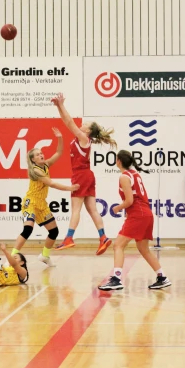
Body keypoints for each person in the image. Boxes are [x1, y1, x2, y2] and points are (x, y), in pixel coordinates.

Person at [51, 92, 116, 254]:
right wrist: (59, 106)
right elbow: (68, 122)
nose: (82, 125)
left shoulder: (84, 139)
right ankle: (103, 237)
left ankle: (69, 238)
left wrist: (61, 105)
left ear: (88, 130)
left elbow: (69, 122)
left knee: (76, 210)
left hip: (81, 175)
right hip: (87, 175)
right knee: (92, 209)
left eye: (85, 124)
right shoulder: (84, 140)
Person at [98, 149, 171, 292]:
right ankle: (162, 277)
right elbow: (137, 197)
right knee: (143, 249)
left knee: (118, 245)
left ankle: (116, 279)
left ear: (118, 161)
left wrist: (118, 208)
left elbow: (130, 200)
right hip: (146, 214)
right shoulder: (135, 174)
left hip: (139, 215)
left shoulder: (124, 177)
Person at [11, 128, 79, 268]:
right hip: (30, 203)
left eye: (41, 153)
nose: (41, 155)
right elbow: (51, 183)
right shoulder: (35, 170)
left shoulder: (46, 165)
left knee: (54, 231)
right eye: (37, 154)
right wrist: (69, 188)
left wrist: (59, 137)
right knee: (28, 230)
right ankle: (11, 257)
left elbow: (59, 152)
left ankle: (45, 255)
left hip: (41, 204)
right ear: (33, 159)